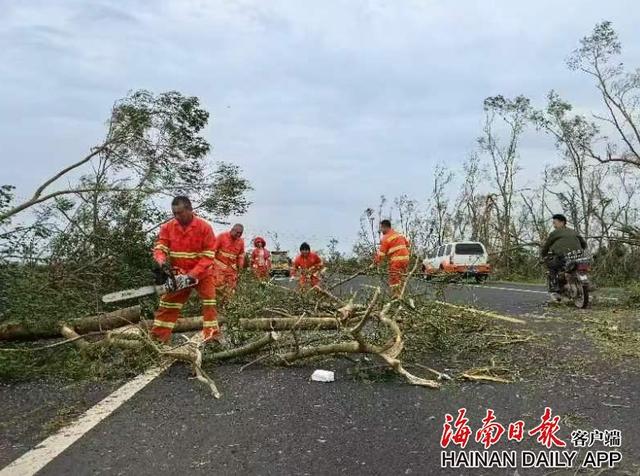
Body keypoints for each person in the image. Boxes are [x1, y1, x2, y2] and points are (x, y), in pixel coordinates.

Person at [150, 196, 219, 343]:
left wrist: (192, 275)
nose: (177, 216)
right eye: (174, 213)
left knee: (209, 304)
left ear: (189, 210)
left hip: (202, 274)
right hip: (179, 274)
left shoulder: (204, 227)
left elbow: (208, 256)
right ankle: (158, 340)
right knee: (167, 305)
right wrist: (161, 262)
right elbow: (160, 246)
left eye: (180, 213)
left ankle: (212, 339)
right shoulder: (168, 227)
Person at [540, 214, 588, 296]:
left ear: (562, 222)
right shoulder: (574, 231)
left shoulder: (555, 233)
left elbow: (546, 246)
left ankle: (556, 286)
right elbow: (583, 244)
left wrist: (543, 255)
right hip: (579, 256)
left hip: (564, 256)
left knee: (551, 265)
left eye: (555, 223)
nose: (554, 226)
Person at [373, 220, 410, 297]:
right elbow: (408, 243)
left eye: (381, 228)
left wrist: (374, 263)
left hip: (396, 260)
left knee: (394, 278)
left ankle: (396, 296)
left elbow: (381, 254)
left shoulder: (386, 238)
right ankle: (402, 294)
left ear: (385, 227)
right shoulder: (400, 234)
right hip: (406, 259)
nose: (381, 230)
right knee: (402, 277)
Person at [213, 223, 245, 302]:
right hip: (219, 267)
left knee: (231, 287)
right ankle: (216, 303)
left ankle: (227, 305)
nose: (238, 235)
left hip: (232, 268)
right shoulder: (221, 236)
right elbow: (213, 251)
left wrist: (240, 267)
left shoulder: (241, 242)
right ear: (232, 230)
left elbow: (241, 256)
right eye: (237, 232)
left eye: (240, 233)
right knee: (218, 284)